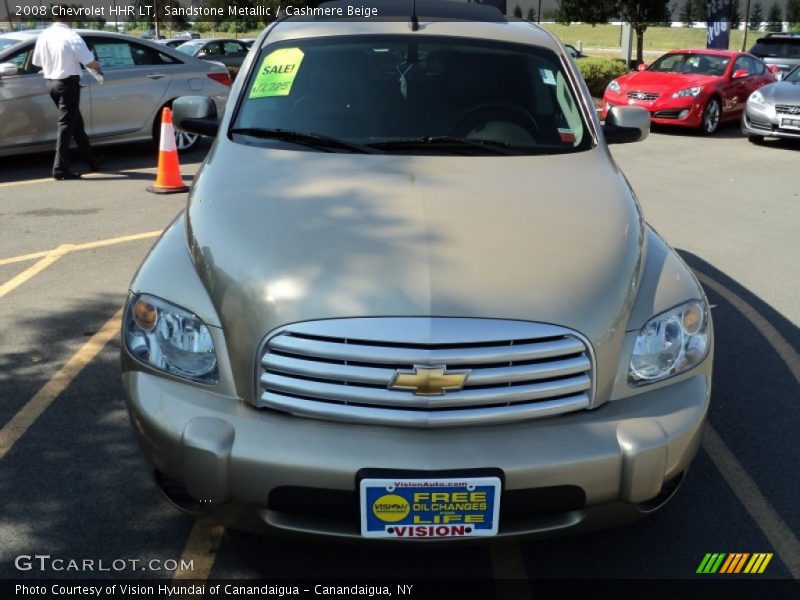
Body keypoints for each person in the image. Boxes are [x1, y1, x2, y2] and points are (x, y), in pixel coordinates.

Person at [32, 10, 104, 180]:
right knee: (66, 126)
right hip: (68, 85)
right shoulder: (71, 36)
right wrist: (97, 65)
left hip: (52, 84)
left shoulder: (44, 35)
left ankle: (92, 161)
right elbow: (89, 61)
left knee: (75, 124)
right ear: (69, 18)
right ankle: (60, 168)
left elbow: (36, 62)